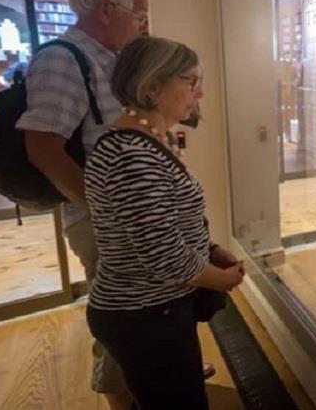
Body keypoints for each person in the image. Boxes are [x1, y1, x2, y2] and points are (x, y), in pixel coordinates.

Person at [85, 36, 244, 409]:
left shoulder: (146, 141)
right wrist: (223, 279)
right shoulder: (131, 154)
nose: (199, 94)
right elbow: (164, 258)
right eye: (190, 82)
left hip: (154, 309)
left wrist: (209, 249)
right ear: (153, 85)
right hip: (143, 315)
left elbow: (163, 223)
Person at [17, 0, 147, 409]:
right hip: (104, 220)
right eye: (138, 15)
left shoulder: (108, 57)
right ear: (107, 9)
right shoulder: (61, 58)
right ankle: (119, 399)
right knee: (119, 316)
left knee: (140, 310)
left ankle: (148, 378)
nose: (141, 24)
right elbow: (42, 146)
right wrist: (102, 210)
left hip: (128, 214)